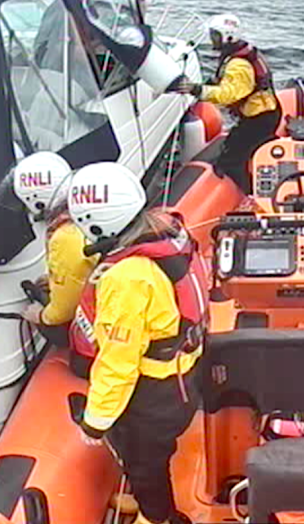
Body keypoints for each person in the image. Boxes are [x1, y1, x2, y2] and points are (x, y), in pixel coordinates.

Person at [66, 162, 210, 524]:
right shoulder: (169, 233)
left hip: (154, 391)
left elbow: (118, 361)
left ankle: (158, 517)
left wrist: (95, 423)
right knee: (154, 453)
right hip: (183, 378)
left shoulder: (127, 278)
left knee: (146, 464)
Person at [0, 151, 99, 353]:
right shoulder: (83, 213)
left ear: (38, 200)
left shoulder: (64, 237)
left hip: (102, 317)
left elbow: (66, 308)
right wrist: (54, 279)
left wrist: (41, 316)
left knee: (55, 328)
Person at [172, 13, 282, 194]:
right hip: (263, 113)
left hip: (260, 118)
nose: (212, 40)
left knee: (231, 160)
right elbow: (224, 82)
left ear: (228, 37)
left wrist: (198, 90)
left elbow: (228, 94)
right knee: (244, 147)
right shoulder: (238, 55)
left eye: (215, 35)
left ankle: (245, 194)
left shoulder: (238, 64)